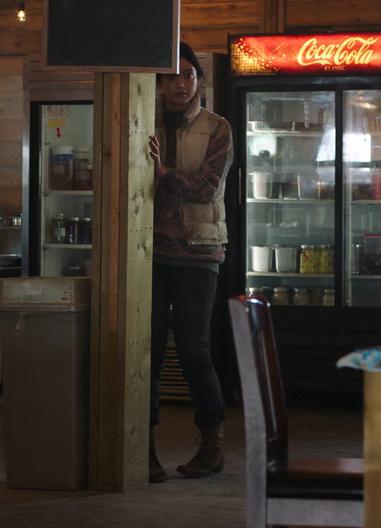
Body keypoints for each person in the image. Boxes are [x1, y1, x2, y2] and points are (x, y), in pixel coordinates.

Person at [147, 42, 233, 483]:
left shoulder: (218, 128)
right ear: (158, 83)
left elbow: (206, 186)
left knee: (194, 348)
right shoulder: (146, 123)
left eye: (188, 75)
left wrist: (164, 176)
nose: (179, 84)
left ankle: (212, 444)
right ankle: (141, 446)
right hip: (150, 252)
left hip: (200, 251)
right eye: (170, 76)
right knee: (149, 351)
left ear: (200, 79)